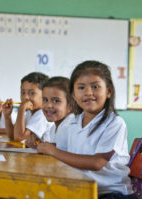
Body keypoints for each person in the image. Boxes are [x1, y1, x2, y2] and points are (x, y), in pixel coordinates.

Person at [38, 61, 134, 198]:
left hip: (109, 192)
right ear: (73, 94)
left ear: (109, 91)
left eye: (95, 86)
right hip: (81, 189)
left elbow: (97, 162)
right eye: (81, 88)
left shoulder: (114, 123)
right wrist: (44, 147)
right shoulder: (72, 122)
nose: (88, 93)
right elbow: (63, 152)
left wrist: (53, 151)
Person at [26, 76, 74, 149]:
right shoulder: (54, 127)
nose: (48, 105)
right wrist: (39, 146)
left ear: (70, 105)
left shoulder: (70, 127)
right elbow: (59, 150)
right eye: (45, 100)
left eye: (56, 101)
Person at [12, 72, 53, 142]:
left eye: (32, 93)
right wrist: (7, 117)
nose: (25, 97)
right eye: (22, 93)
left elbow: (19, 137)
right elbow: (13, 135)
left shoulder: (42, 114)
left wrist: (21, 109)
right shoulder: (29, 113)